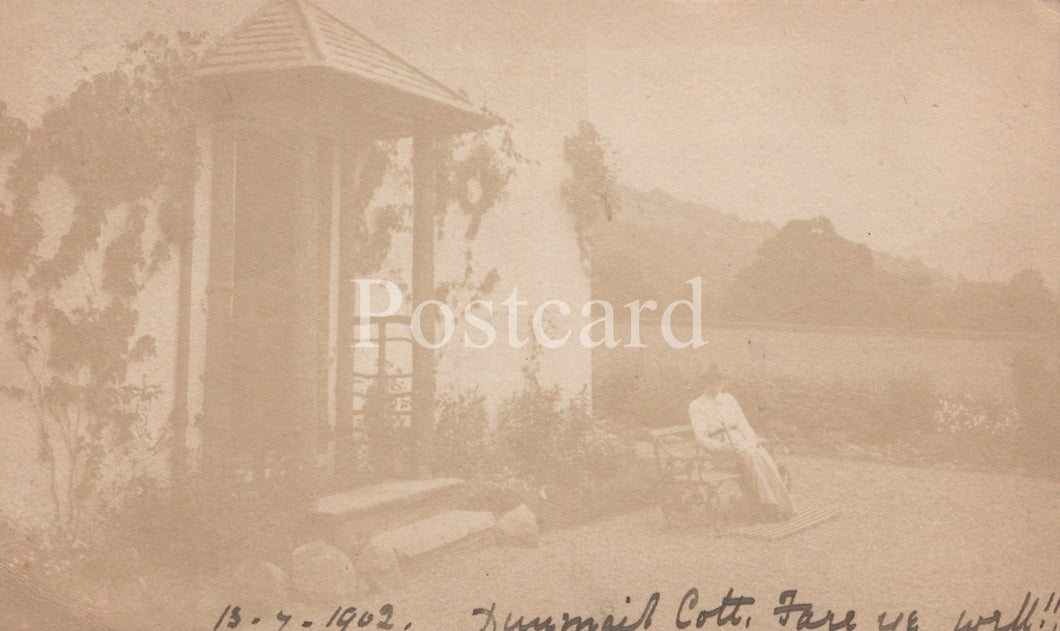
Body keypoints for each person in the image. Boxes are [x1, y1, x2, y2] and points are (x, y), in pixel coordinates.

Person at [688, 365, 795, 521]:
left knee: (761, 455)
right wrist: (720, 447)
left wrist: (752, 441)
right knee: (752, 458)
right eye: (711, 382)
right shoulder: (696, 405)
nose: (716, 386)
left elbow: (742, 423)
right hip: (721, 451)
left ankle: (781, 505)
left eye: (719, 382)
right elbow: (701, 437)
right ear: (704, 383)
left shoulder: (728, 398)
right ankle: (768, 506)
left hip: (740, 441)